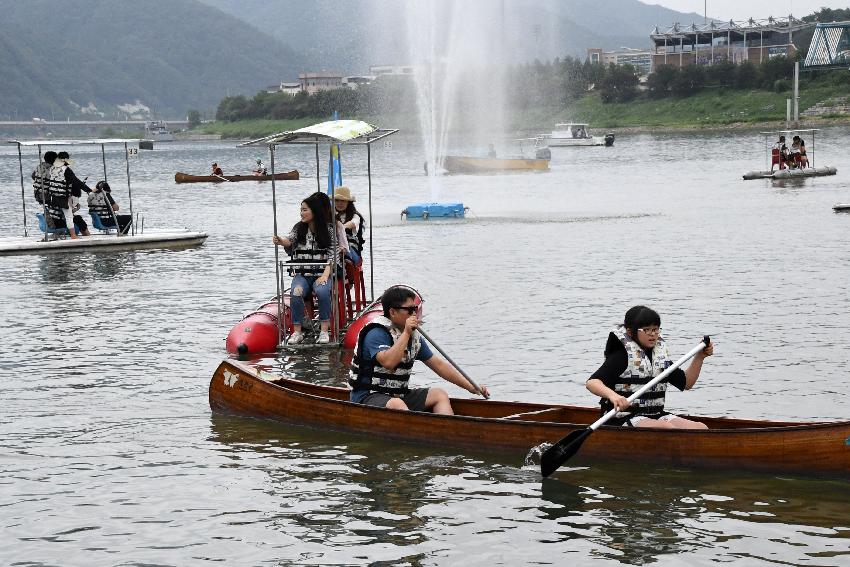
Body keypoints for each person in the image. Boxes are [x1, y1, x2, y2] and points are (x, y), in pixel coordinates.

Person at [348, 285, 490, 414]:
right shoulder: (376, 333)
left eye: (415, 309)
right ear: (392, 312)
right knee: (397, 404)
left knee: (439, 394)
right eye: (409, 310)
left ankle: (448, 431)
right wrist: (407, 333)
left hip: (398, 395)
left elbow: (439, 365)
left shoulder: (414, 338)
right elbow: (389, 363)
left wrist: (470, 386)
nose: (414, 314)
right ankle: (417, 432)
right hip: (367, 396)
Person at [585, 305, 714, 429]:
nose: (652, 334)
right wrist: (614, 396)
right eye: (646, 330)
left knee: (700, 427)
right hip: (621, 418)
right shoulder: (622, 356)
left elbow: (687, 383)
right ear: (630, 332)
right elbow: (592, 382)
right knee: (666, 428)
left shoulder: (660, 357)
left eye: (655, 329)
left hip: (655, 415)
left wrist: (699, 357)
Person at [271, 192, 346, 345]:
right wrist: (280, 240)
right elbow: (289, 240)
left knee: (323, 291)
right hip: (302, 274)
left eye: (305, 210)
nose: (302, 213)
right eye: (301, 210)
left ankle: (324, 330)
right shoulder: (298, 228)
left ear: (314, 211)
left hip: (321, 273)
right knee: (296, 293)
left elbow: (333, 254)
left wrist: (325, 275)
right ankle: (297, 331)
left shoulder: (329, 230)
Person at [55, 151, 92, 236]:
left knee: (75, 217)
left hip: (59, 199)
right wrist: (88, 190)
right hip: (64, 199)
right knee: (73, 217)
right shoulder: (65, 170)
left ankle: (84, 235)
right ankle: (74, 236)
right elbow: (76, 181)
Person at [333, 186, 365, 265]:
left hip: (352, 252)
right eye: (337, 201)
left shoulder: (355, 216)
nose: (339, 203)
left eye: (343, 201)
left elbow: (352, 223)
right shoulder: (330, 215)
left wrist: (340, 227)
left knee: (344, 249)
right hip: (334, 250)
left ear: (348, 202)